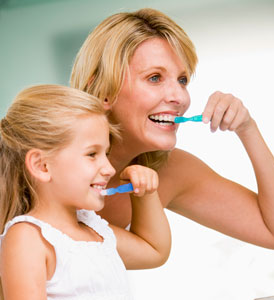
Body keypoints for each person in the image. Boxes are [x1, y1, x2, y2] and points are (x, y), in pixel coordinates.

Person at [70, 7, 274, 250]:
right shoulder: (50, 160)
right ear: (104, 91)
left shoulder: (168, 170)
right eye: (155, 78)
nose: (179, 97)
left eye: (182, 80)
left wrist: (247, 128)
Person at [0, 84, 171, 300]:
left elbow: (154, 250)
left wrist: (146, 194)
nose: (109, 169)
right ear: (42, 166)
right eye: (92, 154)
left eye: (106, 153)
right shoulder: (28, 237)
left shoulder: (95, 230)